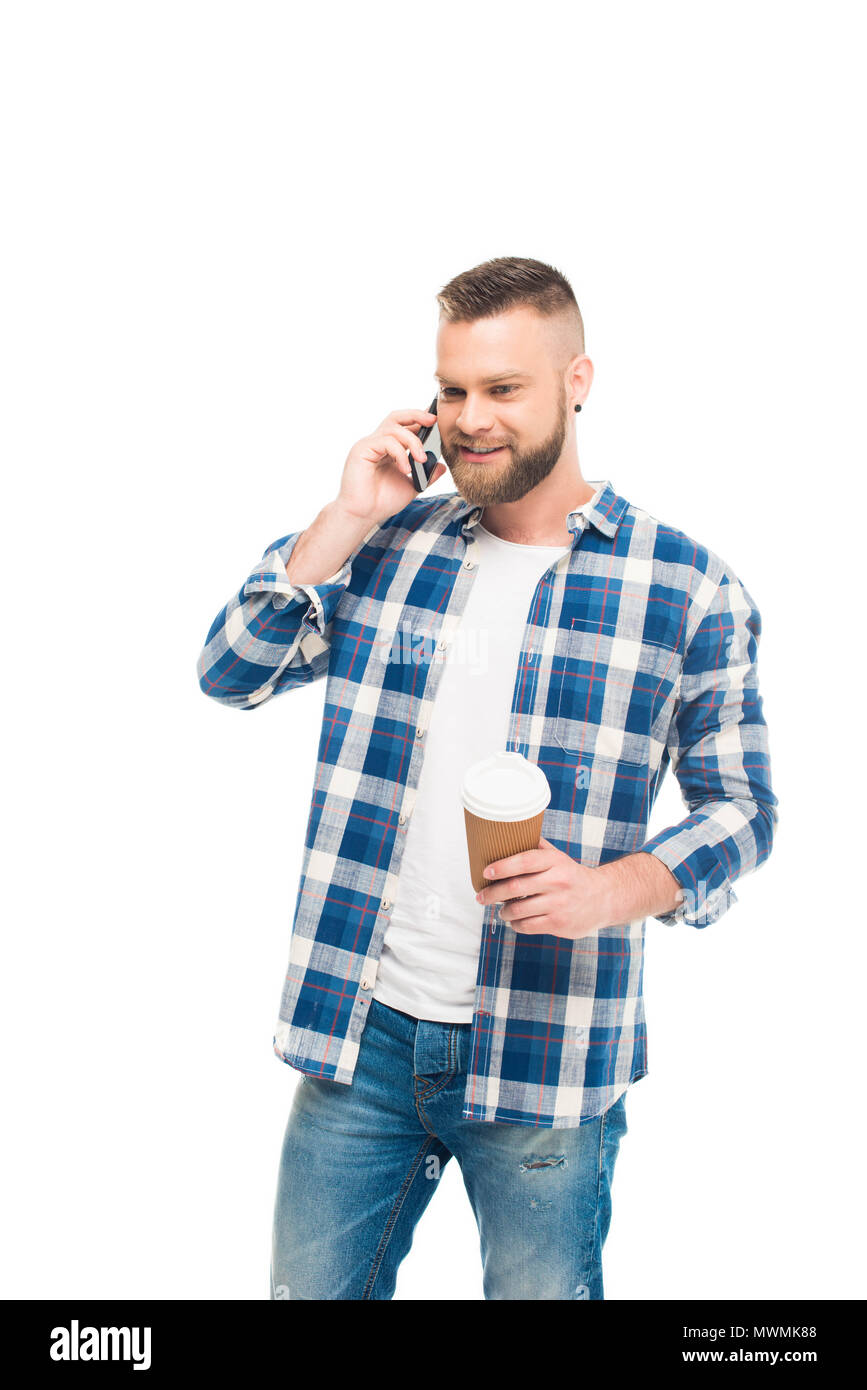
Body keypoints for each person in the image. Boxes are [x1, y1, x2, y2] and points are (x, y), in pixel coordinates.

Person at [196, 256, 778, 1300]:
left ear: (577, 381)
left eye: (504, 388)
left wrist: (615, 888)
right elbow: (230, 671)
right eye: (452, 389)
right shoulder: (388, 545)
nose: (471, 418)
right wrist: (343, 515)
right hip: (361, 1036)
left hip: (548, 1053)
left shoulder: (686, 586)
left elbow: (742, 807)